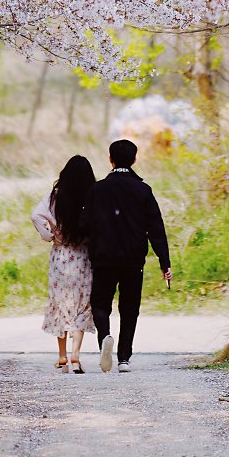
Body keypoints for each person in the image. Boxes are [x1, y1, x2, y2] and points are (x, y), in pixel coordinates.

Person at [87, 138, 171, 373]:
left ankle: (104, 338)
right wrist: (165, 262)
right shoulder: (143, 190)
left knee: (100, 303)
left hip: (103, 257)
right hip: (133, 259)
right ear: (134, 159)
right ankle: (124, 357)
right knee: (130, 306)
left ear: (110, 159)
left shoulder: (97, 189)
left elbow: (86, 224)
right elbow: (156, 229)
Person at [31, 154, 96, 373]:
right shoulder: (91, 197)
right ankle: (76, 355)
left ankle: (62, 357)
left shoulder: (54, 197)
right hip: (84, 257)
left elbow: (36, 216)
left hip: (61, 256)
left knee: (60, 303)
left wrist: (50, 235)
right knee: (82, 305)